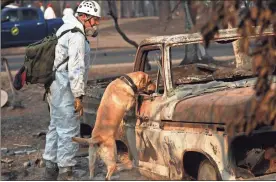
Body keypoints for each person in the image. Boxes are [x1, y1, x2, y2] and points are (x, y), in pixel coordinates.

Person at [42, 0, 101, 180]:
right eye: (94, 20)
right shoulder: (76, 36)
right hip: (64, 87)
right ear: (83, 17)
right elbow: (76, 68)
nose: (96, 24)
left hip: (54, 85)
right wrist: (78, 95)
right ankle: (66, 172)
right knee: (68, 129)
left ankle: (50, 167)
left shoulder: (66, 28)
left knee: (55, 126)